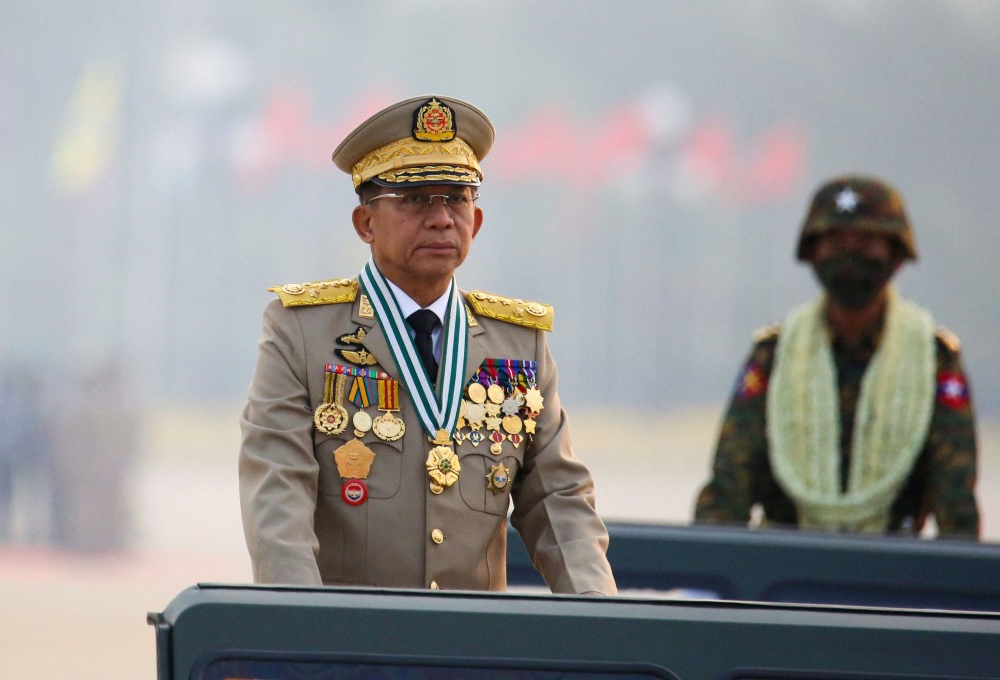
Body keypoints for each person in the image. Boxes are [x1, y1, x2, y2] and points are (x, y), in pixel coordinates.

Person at [239, 95, 617, 594]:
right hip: (352, 647)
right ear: (366, 224)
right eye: (415, 198)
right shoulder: (303, 332)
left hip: (473, 652)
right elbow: (278, 498)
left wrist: (599, 622)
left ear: (476, 224)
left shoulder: (519, 341)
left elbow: (558, 500)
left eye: (457, 199)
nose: (442, 219)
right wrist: (306, 633)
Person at [694, 174, 980, 538]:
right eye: (835, 242)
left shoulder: (933, 360)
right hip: (779, 573)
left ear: (896, 256)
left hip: (894, 572)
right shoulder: (776, 356)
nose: (849, 255)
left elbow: (955, 500)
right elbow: (730, 485)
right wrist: (711, 576)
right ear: (813, 253)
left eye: (865, 243)